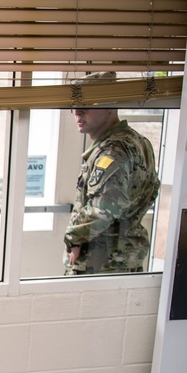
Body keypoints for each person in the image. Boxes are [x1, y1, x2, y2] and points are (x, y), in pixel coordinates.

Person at [64, 72, 161, 274]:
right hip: (120, 262)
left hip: (102, 265)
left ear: (109, 105)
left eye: (87, 104)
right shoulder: (138, 142)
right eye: (75, 104)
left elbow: (103, 211)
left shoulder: (113, 152)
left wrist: (73, 236)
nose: (77, 111)